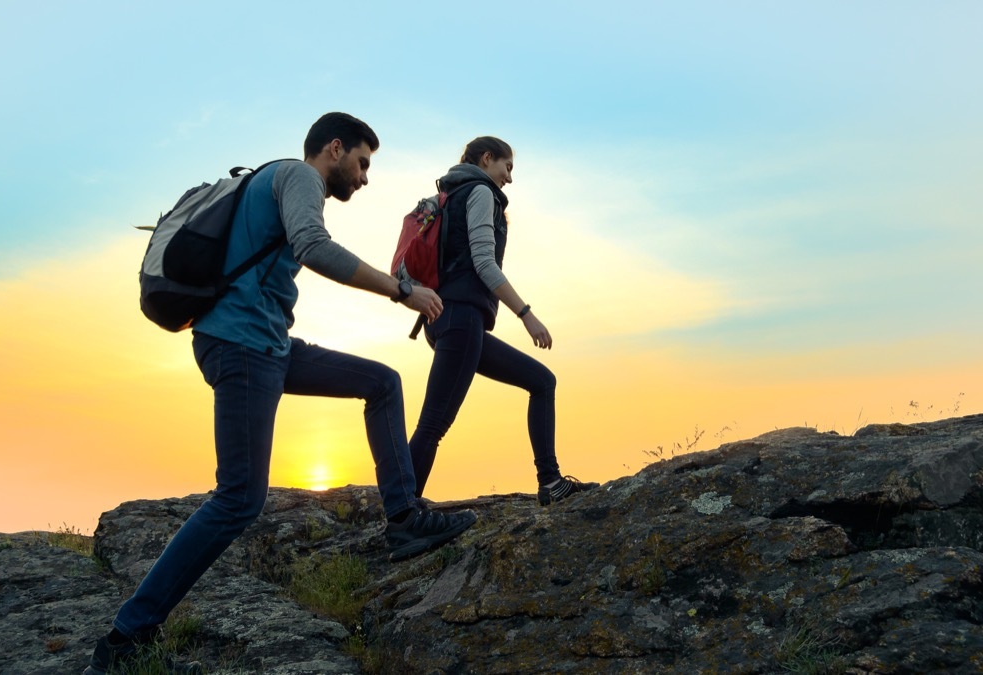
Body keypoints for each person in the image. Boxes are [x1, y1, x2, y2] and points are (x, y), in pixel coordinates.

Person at [85, 113, 476, 675]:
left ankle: (404, 519)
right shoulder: (298, 176)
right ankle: (126, 635)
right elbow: (313, 246)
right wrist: (401, 290)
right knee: (240, 498)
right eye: (362, 162)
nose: (364, 178)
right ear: (334, 148)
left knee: (382, 383)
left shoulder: (269, 180)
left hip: (267, 345)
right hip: (241, 347)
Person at [407, 136, 599, 506]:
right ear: (487, 158)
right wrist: (527, 315)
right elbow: (483, 262)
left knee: (541, 381)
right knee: (433, 424)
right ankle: (402, 516)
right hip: (460, 321)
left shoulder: (450, 195)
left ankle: (551, 482)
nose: (509, 178)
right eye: (507, 167)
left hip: (449, 322)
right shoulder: (479, 192)